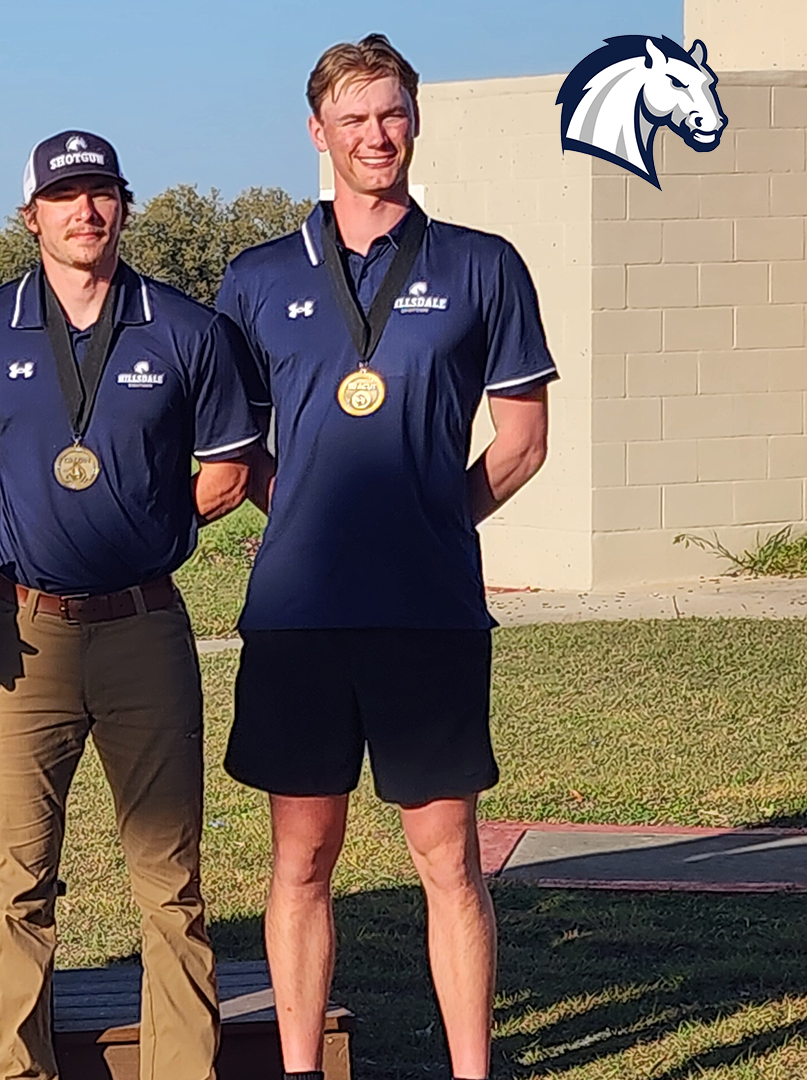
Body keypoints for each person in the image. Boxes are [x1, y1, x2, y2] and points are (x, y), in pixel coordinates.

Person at [215, 35, 554, 1080]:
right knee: (302, 858)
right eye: (353, 118)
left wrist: (432, 521)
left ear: (415, 123)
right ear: (317, 134)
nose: (376, 134)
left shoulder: (481, 264)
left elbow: (523, 440)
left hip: (428, 611)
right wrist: (310, 510)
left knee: (447, 860)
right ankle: (302, 1069)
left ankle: (469, 1071)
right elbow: (239, 448)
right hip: (300, 614)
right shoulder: (259, 278)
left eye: (392, 113)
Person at [0, 130, 263, 1080]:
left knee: (170, 884)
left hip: (145, 627)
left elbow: (230, 468)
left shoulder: (188, 328)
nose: (86, 211)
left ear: (123, 205)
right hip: (22, 635)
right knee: (17, 884)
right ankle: (16, 1072)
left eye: (102, 193)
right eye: (65, 196)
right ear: (30, 215)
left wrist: (147, 523)